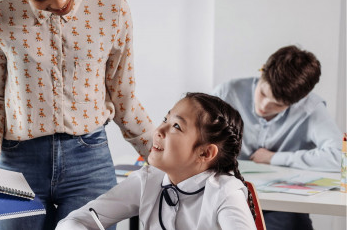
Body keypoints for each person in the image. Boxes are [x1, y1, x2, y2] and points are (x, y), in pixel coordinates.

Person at [0, 0, 154, 229]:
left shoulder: (112, 11)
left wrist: (163, 156)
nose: (58, 2)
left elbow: (123, 96)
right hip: (18, 162)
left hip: (89, 159)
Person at [57, 93, 256, 230]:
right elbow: (74, 221)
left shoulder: (225, 193)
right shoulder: (149, 179)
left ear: (205, 153)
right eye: (165, 119)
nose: (159, 131)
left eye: (176, 126)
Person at [213, 45, 342, 230]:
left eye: (278, 105)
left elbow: (340, 157)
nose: (264, 106)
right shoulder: (227, 93)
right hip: (228, 197)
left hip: (282, 207)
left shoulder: (311, 109)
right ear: (262, 70)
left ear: (301, 99)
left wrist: (274, 158)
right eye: (263, 93)